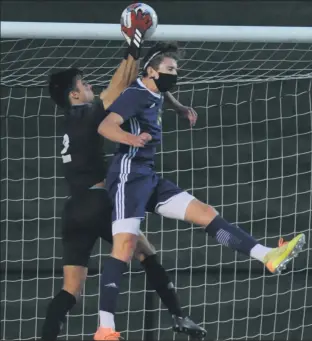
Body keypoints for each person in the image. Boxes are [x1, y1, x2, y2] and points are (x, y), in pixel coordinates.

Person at [94, 41, 306, 340]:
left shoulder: (153, 89)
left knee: (206, 214)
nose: (175, 74)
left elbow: (160, 93)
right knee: (125, 248)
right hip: (128, 177)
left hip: (149, 177)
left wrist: (179, 106)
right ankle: (105, 328)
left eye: (176, 69)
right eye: (170, 69)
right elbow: (105, 126)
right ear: (151, 71)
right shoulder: (134, 95)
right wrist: (132, 139)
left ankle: (268, 255)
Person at [41, 16, 205, 341]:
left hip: (72, 211)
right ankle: (179, 315)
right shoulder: (89, 114)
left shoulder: (69, 124)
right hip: (97, 201)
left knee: (70, 291)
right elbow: (118, 87)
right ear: (73, 96)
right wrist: (133, 46)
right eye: (84, 84)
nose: (90, 87)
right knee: (145, 252)